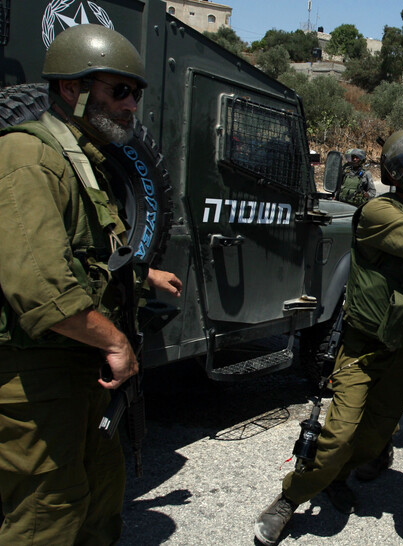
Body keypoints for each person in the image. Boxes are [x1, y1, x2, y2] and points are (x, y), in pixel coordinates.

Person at [0, 24, 182, 543]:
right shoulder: (27, 157)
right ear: (70, 89)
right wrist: (116, 342)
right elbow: (40, 288)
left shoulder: (85, 161)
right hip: (37, 377)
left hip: (79, 371)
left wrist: (142, 276)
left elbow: (87, 256)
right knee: (47, 516)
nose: (130, 105)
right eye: (117, 90)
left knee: (101, 499)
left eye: (136, 93)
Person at [254, 130, 403, 546]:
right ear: (394, 174)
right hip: (364, 349)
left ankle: (339, 476)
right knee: (336, 438)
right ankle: (288, 498)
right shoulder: (378, 212)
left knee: (373, 439)